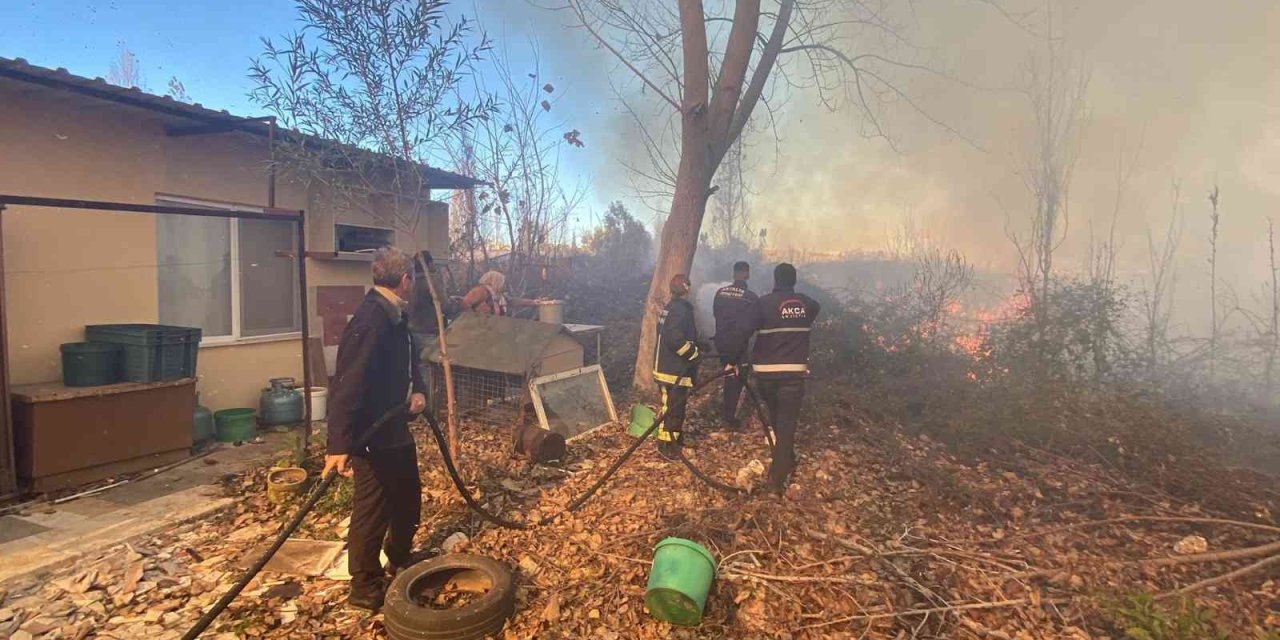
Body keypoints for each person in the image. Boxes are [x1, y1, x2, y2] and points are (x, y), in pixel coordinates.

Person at [324, 247, 429, 611]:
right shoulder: (371, 320)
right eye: (412, 280)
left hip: (394, 429)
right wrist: (339, 443)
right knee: (372, 508)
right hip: (371, 436)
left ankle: (398, 556)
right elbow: (347, 383)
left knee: (408, 496)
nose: (413, 285)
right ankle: (365, 586)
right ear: (405, 281)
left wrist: (418, 390)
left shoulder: (394, 315)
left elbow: (410, 358)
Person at [752, 263, 820, 494]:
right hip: (793, 376)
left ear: (775, 280)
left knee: (777, 419)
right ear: (794, 280)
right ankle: (779, 475)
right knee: (786, 425)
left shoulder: (762, 304)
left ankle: (782, 467)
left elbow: (748, 329)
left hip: (766, 376)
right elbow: (814, 308)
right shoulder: (807, 304)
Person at [653, 273, 701, 460]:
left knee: (677, 407)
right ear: (686, 289)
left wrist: (697, 345)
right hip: (672, 370)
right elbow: (674, 339)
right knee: (671, 407)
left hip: (672, 368)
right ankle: (665, 444)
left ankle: (676, 438)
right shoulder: (680, 310)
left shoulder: (671, 307)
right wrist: (693, 354)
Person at [712, 261, 759, 430]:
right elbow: (750, 326)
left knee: (728, 377)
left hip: (721, 344)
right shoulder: (751, 297)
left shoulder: (720, 293)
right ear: (747, 274)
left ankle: (725, 412)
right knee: (738, 379)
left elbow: (717, 316)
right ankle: (730, 418)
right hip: (738, 347)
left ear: (733, 274)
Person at [460, 270, 540, 317]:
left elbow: (514, 301)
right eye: (502, 282)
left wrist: (533, 302)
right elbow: (465, 303)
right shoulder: (480, 291)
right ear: (496, 281)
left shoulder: (499, 296)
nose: (504, 285)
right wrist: (473, 318)